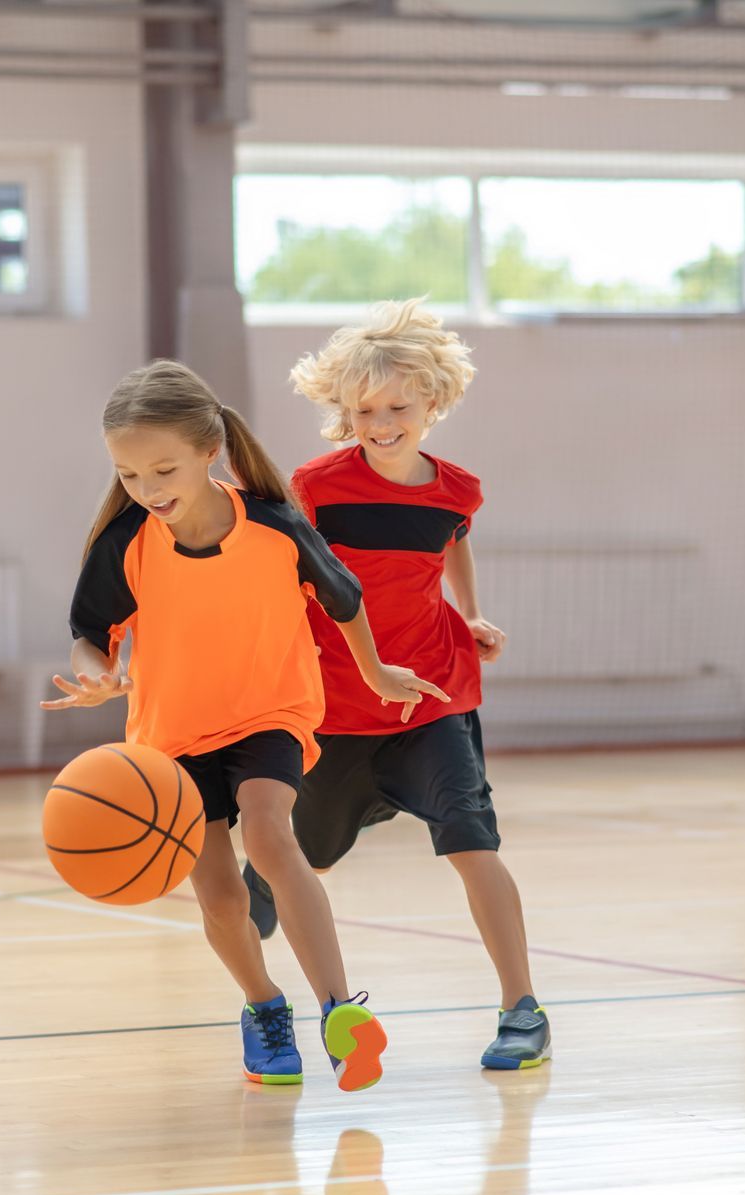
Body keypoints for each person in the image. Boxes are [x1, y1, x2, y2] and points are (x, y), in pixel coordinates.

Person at [45, 359, 446, 1091]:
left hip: (270, 713)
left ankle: (338, 1010)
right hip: (171, 739)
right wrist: (97, 671)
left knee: (269, 831)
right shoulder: (127, 542)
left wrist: (376, 672)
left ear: (209, 451)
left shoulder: (273, 527)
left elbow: (344, 599)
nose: (147, 489)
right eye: (129, 476)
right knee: (223, 898)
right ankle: (263, 1006)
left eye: (162, 469)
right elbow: (89, 630)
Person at [244, 300, 550, 1070]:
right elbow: (282, 578)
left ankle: (523, 1011)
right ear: (345, 414)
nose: (381, 423)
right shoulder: (314, 487)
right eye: (364, 410)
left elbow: (453, 545)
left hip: (432, 699)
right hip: (336, 711)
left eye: (397, 407)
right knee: (290, 871)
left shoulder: (457, 491)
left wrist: (473, 614)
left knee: (474, 845)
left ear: (434, 403)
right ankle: (262, 996)